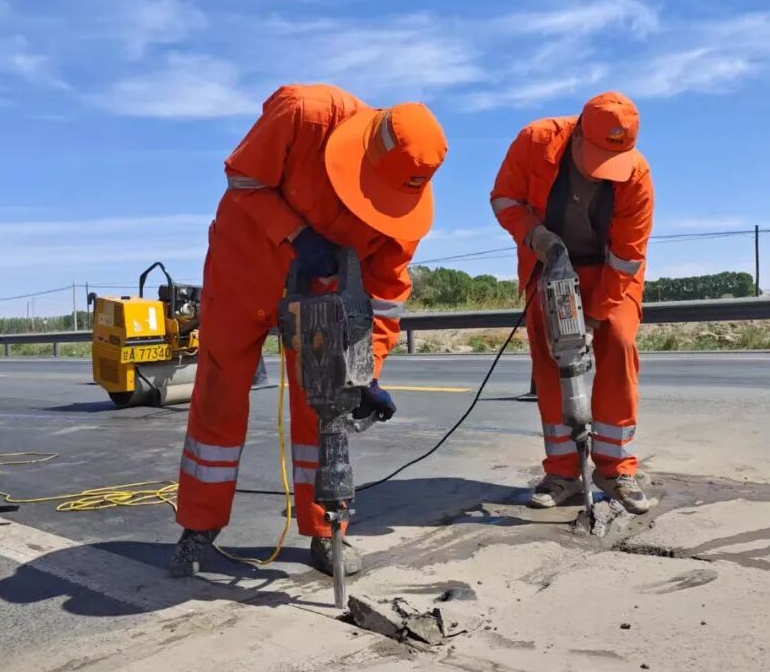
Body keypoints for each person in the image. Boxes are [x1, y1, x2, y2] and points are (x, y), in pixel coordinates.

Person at [169, 84, 448, 578]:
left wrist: (366, 373)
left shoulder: (403, 211)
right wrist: (296, 234)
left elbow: (385, 298)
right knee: (219, 394)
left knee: (325, 403)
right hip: (243, 269)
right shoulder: (304, 115)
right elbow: (243, 176)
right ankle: (199, 526)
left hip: (321, 295)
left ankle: (326, 529)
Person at [489, 91, 654, 514]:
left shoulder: (636, 176)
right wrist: (536, 236)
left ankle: (615, 469)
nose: (602, 173)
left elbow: (627, 257)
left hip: (609, 271)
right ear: (577, 134)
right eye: (596, 158)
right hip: (550, 263)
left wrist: (594, 320)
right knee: (553, 356)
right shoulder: (535, 141)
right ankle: (564, 472)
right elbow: (504, 198)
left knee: (618, 341)